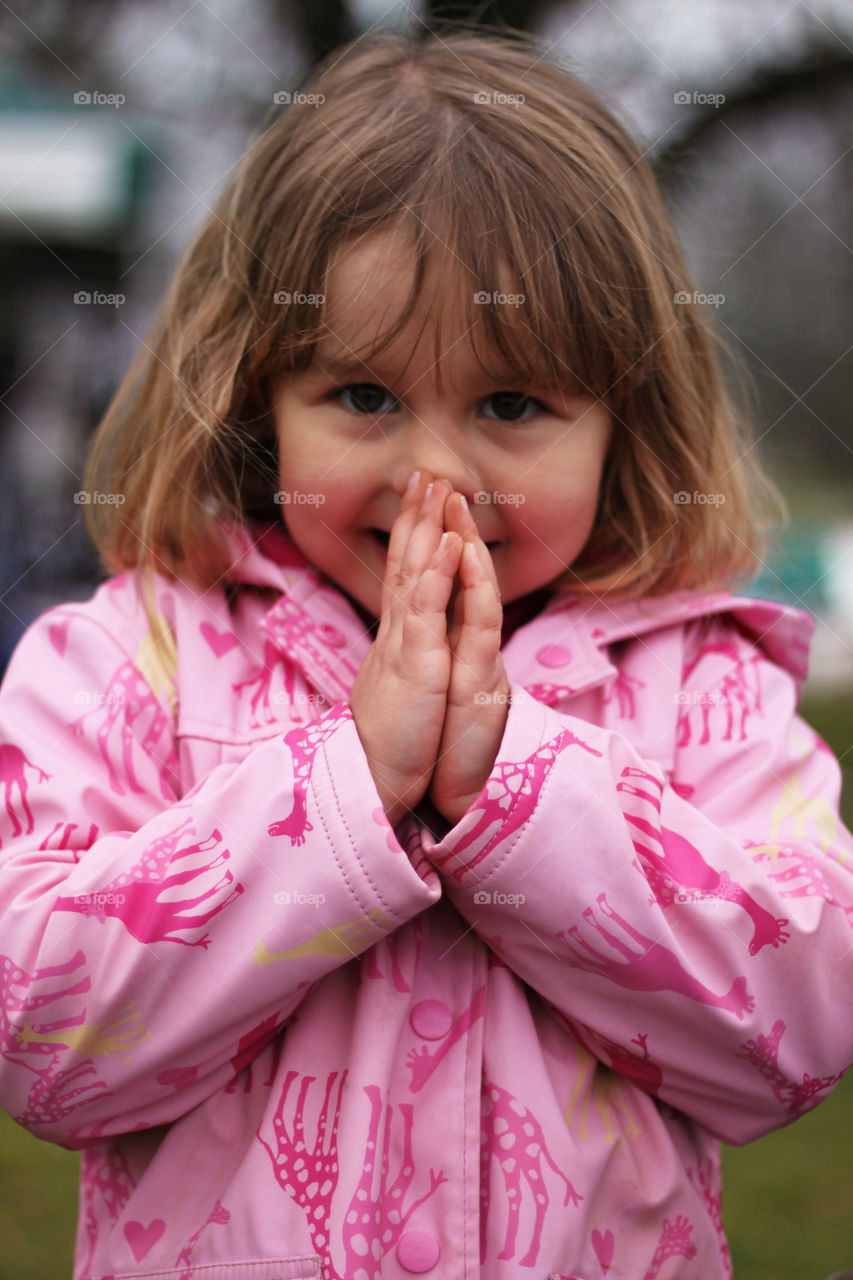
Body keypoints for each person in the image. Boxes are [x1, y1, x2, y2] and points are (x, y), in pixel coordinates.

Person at [1, 24, 852, 1280]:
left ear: (624, 421)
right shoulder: (130, 663)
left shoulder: (704, 684)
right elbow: (42, 1038)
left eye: (511, 405)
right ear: (256, 399)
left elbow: (798, 1029)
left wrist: (515, 782)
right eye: (364, 397)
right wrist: (345, 785)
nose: (436, 472)